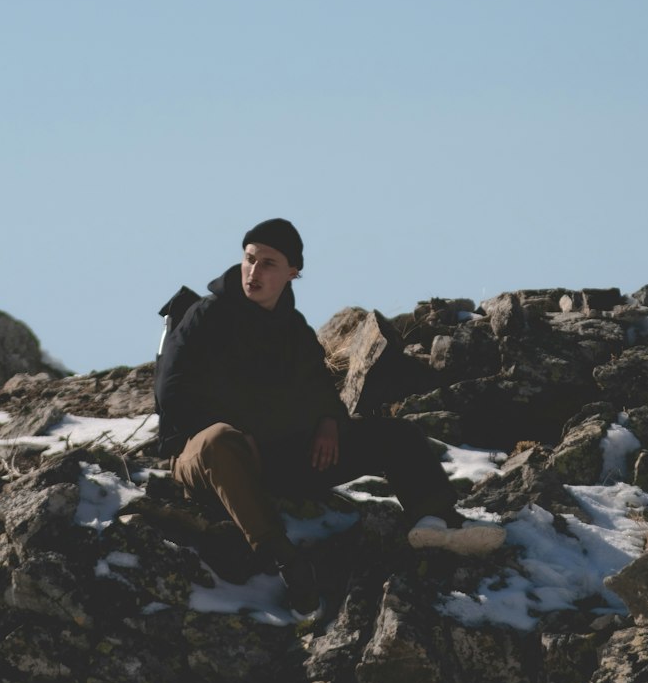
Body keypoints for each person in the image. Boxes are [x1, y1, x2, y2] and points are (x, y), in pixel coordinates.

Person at [154, 218, 459, 615]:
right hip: (205, 458)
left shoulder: (294, 329)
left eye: (268, 263)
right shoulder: (205, 316)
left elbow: (320, 391)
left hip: (278, 458)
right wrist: (232, 430)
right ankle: (286, 561)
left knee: (394, 434)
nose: (254, 271)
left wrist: (330, 423)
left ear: (292, 273)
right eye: (249, 259)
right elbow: (170, 392)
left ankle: (435, 521)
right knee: (221, 441)